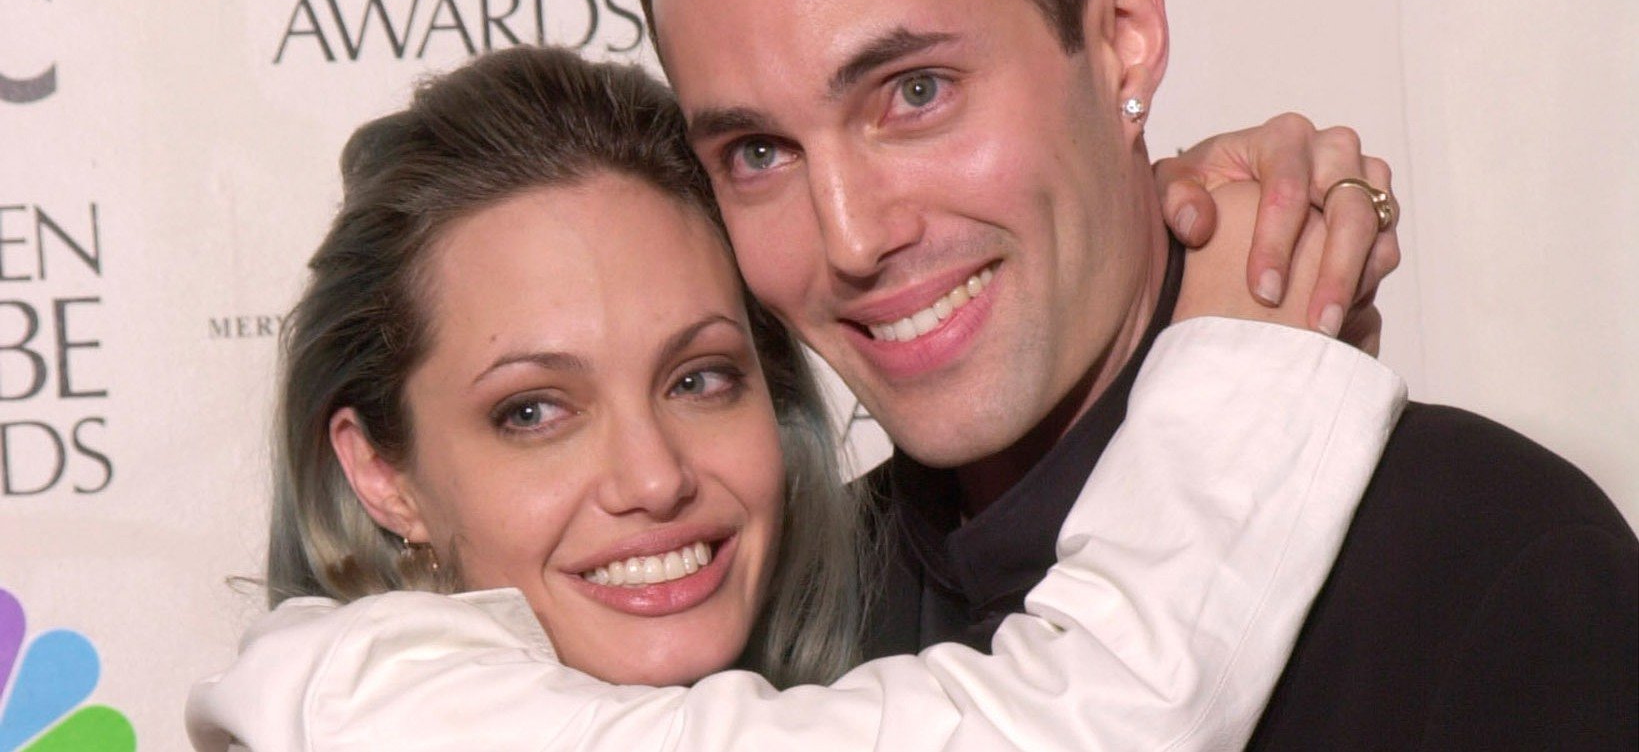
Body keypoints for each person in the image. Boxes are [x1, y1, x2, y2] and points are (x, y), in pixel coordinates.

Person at [631, 0, 1639, 750]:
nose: (848, 237)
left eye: (915, 91)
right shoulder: (765, 637)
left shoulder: (1486, 566)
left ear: (1123, 31)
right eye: (758, 152)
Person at [188, 46, 1405, 750]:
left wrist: (1146, 243)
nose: (653, 477)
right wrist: (1246, 343)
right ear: (380, 470)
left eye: (699, 379)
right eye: (533, 412)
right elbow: (1090, 719)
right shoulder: (373, 708)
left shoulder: (841, 658)